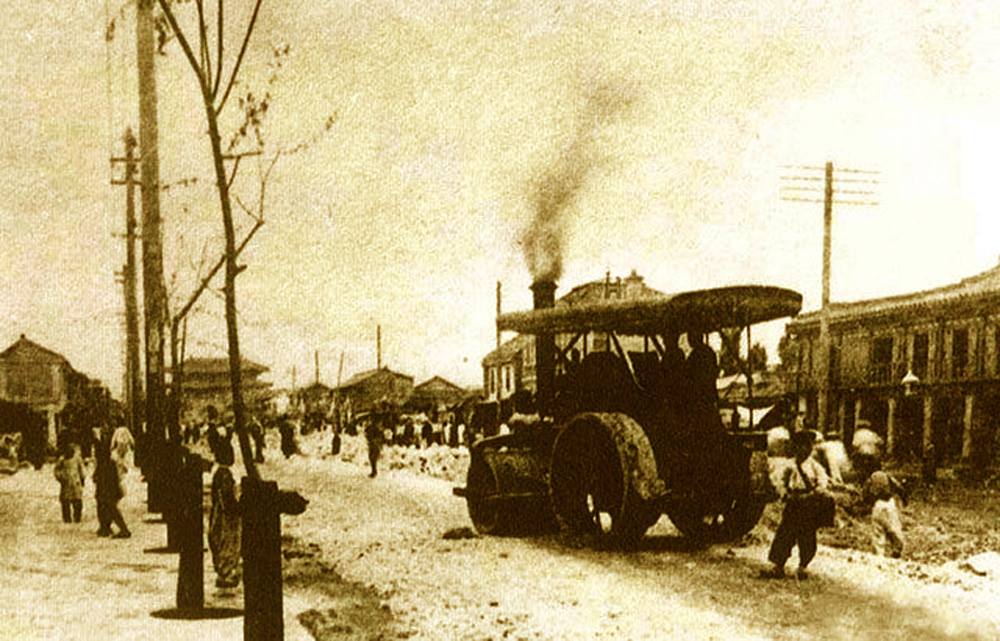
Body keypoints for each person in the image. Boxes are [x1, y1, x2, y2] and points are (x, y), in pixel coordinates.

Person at [761, 430, 831, 579]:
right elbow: (780, 481)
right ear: (796, 447)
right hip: (794, 503)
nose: (804, 450)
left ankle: (803, 566)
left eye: (808, 446)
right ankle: (778, 565)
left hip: (809, 503)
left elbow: (823, 480)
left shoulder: (814, 466)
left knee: (807, 535)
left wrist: (817, 491)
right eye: (800, 446)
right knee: (785, 533)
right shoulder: (789, 465)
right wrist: (783, 493)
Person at [209, 439, 242, 588]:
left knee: (220, 541)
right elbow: (226, 497)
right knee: (227, 543)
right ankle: (226, 573)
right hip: (225, 515)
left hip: (218, 511)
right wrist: (235, 508)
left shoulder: (219, 473)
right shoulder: (225, 474)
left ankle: (224, 572)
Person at [94, 434, 130, 539]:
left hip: (106, 491)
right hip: (110, 490)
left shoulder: (105, 463)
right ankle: (105, 527)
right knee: (108, 509)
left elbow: (99, 477)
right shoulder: (110, 462)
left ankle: (122, 529)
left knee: (110, 510)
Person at [868, 471, 904, 558]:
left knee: (878, 533)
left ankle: (879, 554)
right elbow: (899, 488)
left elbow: (865, 494)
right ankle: (897, 548)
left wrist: (870, 504)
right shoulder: (888, 476)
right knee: (894, 529)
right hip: (889, 505)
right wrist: (904, 500)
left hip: (878, 506)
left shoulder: (870, 479)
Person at [53, 442, 85, 523]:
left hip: (75, 483)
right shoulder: (62, 460)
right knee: (65, 502)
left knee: (77, 501)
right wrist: (61, 477)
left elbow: (81, 470)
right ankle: (67, 518)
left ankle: (77, 518)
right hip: (66, 483)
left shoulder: (77, 459)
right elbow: (56, 470)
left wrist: (82, 479)